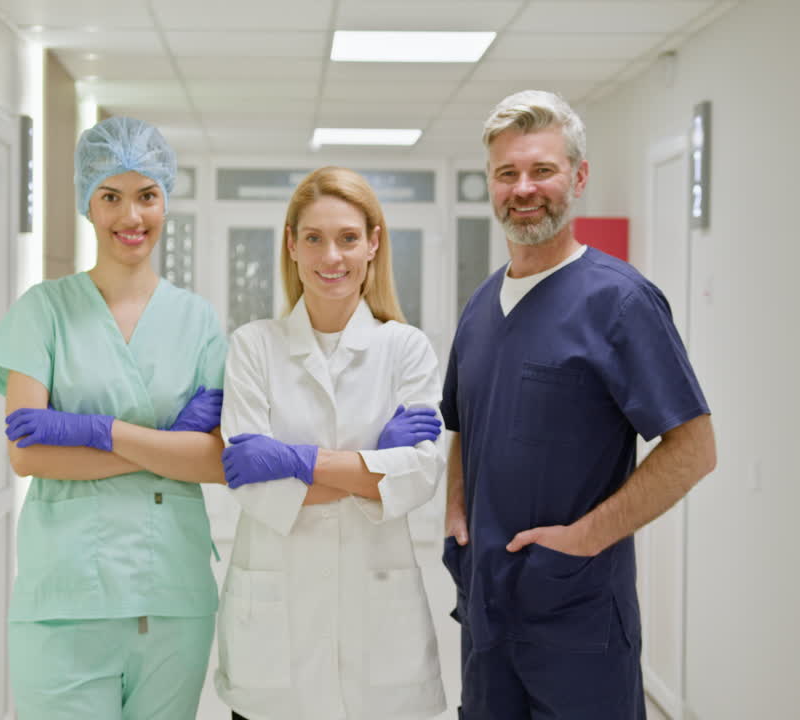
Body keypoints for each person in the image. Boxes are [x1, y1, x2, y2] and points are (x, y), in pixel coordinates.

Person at [441, 90, 717, 719]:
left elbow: (695, 449)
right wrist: (456, 509)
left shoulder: (620, 303)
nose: (523, 188)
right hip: (486, 618)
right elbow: (463, 422)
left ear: (579, 177)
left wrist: (586, 538)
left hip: (577, 622)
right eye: (506, 173)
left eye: (543, 169)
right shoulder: (481, 307)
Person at [0, 116, 228, 720]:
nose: (130, 217)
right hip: (64, 599)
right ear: (88, 204)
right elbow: (28, 454)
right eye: (111, 196)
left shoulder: (199, 322)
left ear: (167, 200)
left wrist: (94, 432)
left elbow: (215, 460)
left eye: (147, 196)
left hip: (172, 596)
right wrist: (165, 446)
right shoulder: (44, 311)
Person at [213, 166, 447, 720]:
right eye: (313, 238)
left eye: (347, 237)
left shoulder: (406, 348)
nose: (331, 256)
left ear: (373, 244)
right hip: (275, 633)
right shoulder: (253, 346)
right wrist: (371, 470)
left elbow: (417, 479)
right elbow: (254, 492)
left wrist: (294, 461)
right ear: (291, 246)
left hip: (377, 628)